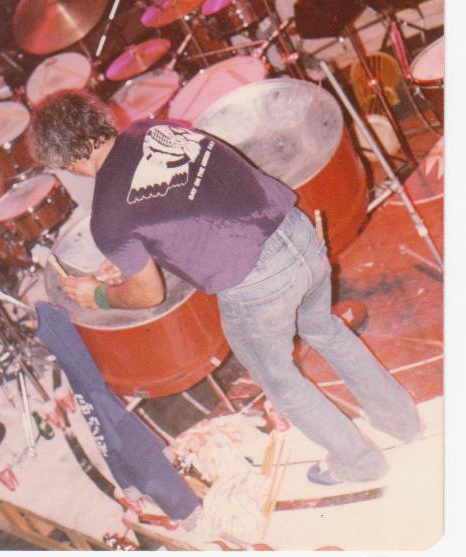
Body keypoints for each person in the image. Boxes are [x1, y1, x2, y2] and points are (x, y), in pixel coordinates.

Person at [29, 89, 423, 486]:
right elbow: (186, 204)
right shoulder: (156, 130)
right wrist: (136, 255)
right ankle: (404, 423)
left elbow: (149, 295)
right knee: (327, 331)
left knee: (280, 380)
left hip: (258, 284)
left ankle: (359, 464)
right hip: (298, 234)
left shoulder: (108, 217)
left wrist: (97, 294)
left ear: (67, 162)